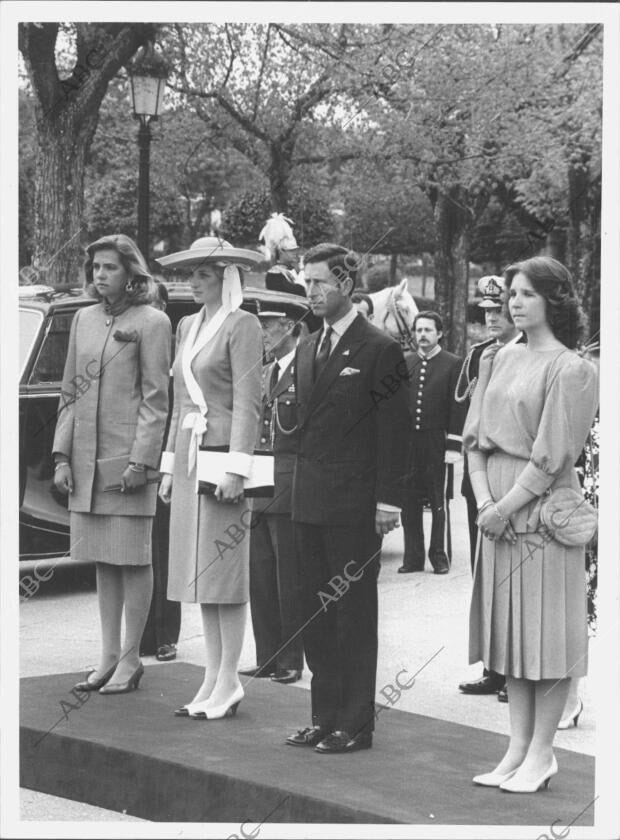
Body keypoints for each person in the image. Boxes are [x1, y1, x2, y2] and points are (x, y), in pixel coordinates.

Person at [464, 256, 598, 792]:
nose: (513, 303)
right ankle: (516, 749)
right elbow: (474, 438)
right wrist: (482, 503)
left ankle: (543, 754)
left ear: (553, 301)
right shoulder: (495, 358)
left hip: (538, 515)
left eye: (525, 294)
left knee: (542, 640)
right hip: (494, 507)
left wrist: (502, 508)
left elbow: (550, 458)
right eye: (509, 296)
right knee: (511, 640)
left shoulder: (573, 368)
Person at [285, 243, 410, 754]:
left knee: (352, 611)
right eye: (307, 283)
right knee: (314, 611)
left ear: (347, 286)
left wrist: (389, 501)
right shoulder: (309, 344)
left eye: (320, 283)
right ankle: (324, 714)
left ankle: (355, 722)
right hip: (310, 499)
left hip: (355, 505)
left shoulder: (379, 348)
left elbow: (395, 432)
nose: (311, 292)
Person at [53, 234, 171, 694]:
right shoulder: (82, 318)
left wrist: (142, 462)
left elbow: (156, 400)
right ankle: (106, 657)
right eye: (95, 268)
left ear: (132, 273)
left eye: (110, 268)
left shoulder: (154, 321)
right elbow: (69, 392)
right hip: (85, 463)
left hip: (127, 466)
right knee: (103, 560)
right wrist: (61, 455)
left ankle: (130, 659)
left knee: (133, 558)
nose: (100, 275)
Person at [157, 237, 263, 720]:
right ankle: (211, 675)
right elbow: (179, 400)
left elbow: (249, 401)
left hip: (223, 459)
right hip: (189, 457)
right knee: (198, 573)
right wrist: (167, 464)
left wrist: (239, 468)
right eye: (191, 274)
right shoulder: (186, 325)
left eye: (202, 274)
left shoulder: (244, 326)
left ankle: (230, 680)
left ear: (225, 276)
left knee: (224, 574)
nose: (192, 282)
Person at [456, 276, 524, 698]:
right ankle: (493, 667)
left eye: (497, 312)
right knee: (486, 577)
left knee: (515, 577)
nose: (491, 319)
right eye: (486, 314)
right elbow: (468, 418)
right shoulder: (482, 355)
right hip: (479, 476)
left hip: (512, 474)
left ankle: (515, 671)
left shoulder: (529, 354)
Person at [241, 310, 304, 684]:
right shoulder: (265, 372)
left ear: (292, 327)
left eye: (270, 325)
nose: (263, 332)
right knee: (261, 577)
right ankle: (267, 656)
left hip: (291, 484)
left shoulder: (306, 369)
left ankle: (291, 659)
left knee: (288, 578)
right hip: (260, 484)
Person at [399, 311, 464, 575]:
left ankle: (438, 555)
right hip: (409, 442)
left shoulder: (452, 363)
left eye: (428, 330)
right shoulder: (406, 362)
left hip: (436, 440)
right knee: (408, 500)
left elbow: (457, 407)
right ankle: (413, 557)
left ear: (439, 334)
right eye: (418, 330)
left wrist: (453, 445)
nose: (422, 335)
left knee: (438, 500)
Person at [140, 280, 182, 662]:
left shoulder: (176, 350)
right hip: (137, 457)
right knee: (136, 553)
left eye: (151, 302)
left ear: (164, 307)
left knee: (164, 551)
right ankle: (139, 636)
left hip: (165, 461)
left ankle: (165, 634)